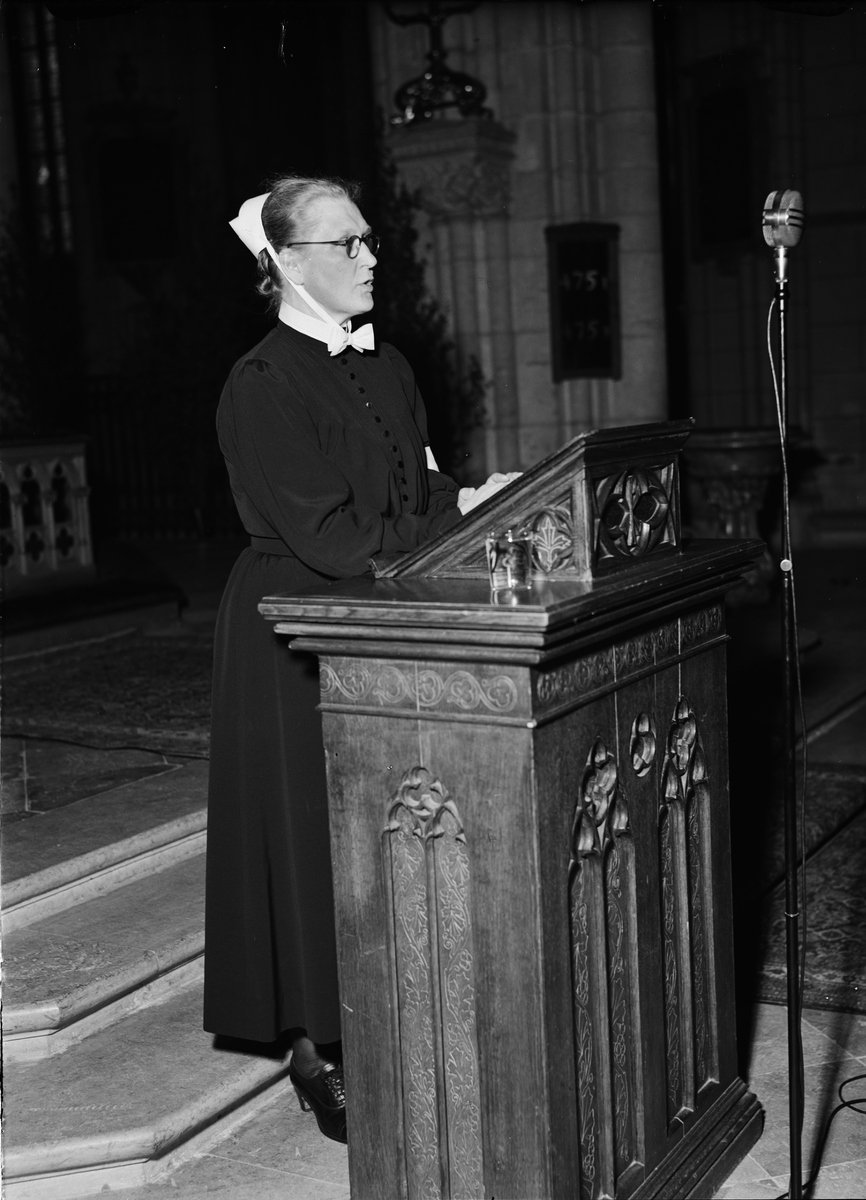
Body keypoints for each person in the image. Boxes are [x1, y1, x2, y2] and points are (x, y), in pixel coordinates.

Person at [203, 175, 517, 1144]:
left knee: (382, 831)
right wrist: (445, 525)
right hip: (292, 629)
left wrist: (478, 504)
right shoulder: (259, 384)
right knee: (307, 841)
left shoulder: (391, 365)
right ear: (288, 263)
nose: (370, 257)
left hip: (379, 615)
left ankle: (393, 1017)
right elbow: (330, 537)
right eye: (348, 243)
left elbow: (421, 494)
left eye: (368, 239)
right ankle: (316, 1052)